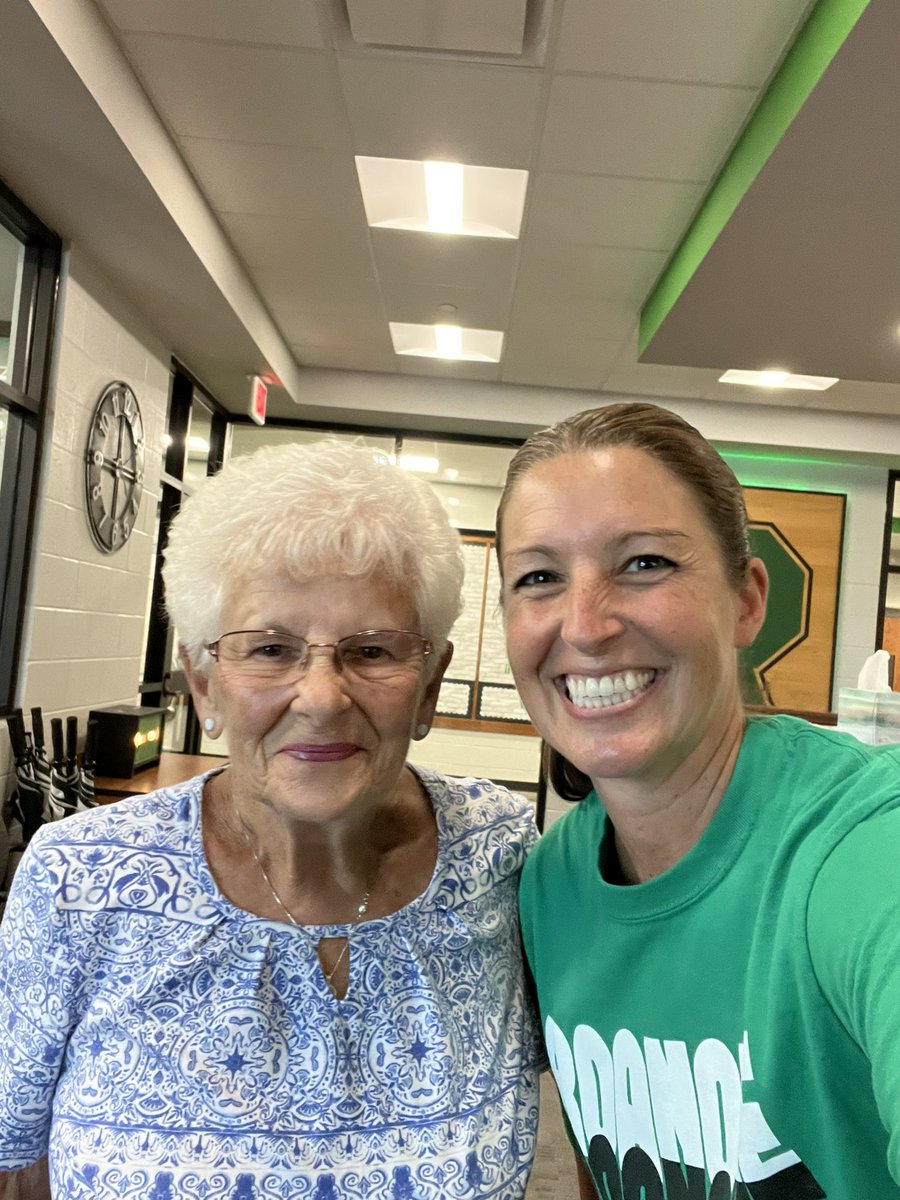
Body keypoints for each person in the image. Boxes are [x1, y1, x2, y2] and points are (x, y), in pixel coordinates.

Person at [0, 440, 544, 1198]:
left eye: (371, 650)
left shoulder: (501, 854)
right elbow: (15, 1162)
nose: (320, 698)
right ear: (204, 684)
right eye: (269, 649)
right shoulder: (79, 879)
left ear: (428, 686)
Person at [495, 401, 900, 1199]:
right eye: (539, 578)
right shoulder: (552, 883)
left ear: (747, 600)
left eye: (644, 563)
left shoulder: (860, 850)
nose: (585, 626)